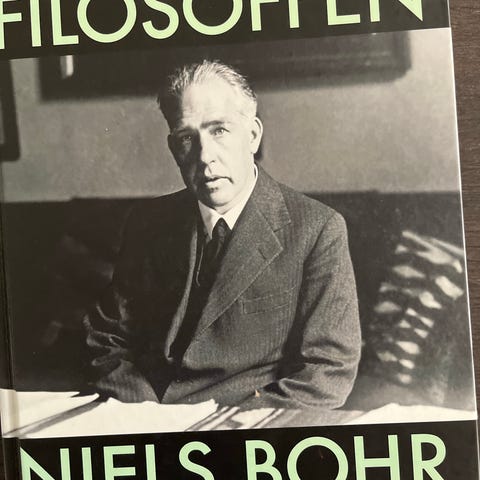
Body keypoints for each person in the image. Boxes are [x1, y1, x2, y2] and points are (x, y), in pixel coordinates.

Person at [84, 60, 361, 411]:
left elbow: (327, 371)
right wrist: (145, 412)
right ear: (174, 149)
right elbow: (105, 338)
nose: (205, 157)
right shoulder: (147, 223)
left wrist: (226, 427)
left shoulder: (317, 229)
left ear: (253, 135)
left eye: (219, 130)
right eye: (187, 138)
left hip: (241, 423)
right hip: (148, 417)